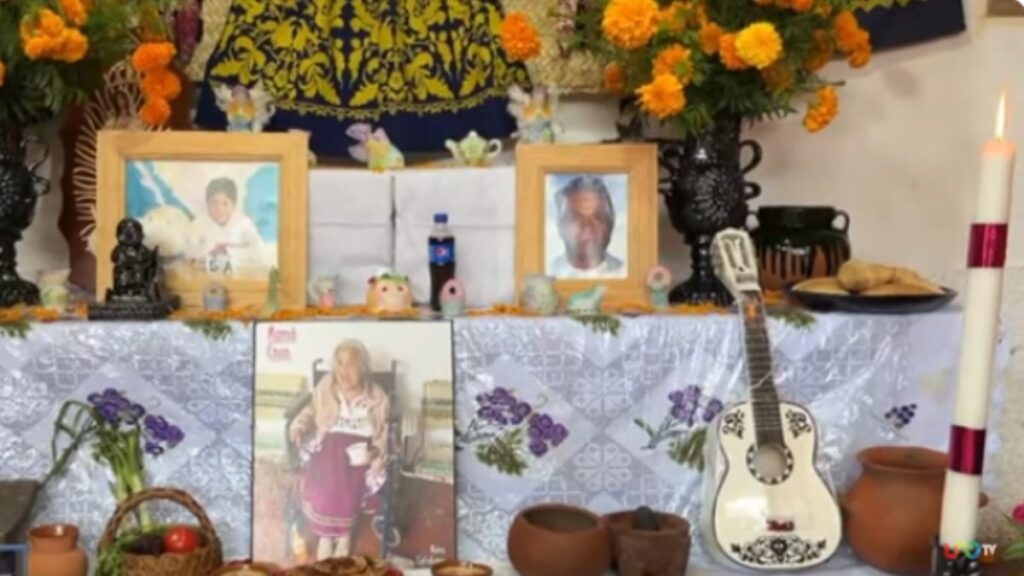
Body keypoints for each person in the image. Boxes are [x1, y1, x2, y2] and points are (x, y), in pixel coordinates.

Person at [288, 340, 390, 561]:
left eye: (351, 364)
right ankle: (326, 535)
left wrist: (375, 451)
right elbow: (310, 410)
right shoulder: (326, 386)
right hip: (328, 442)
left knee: (348, 478)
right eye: (340, 363)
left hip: (359, 449)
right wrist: (299, 426)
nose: (344, 371)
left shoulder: (377, 395)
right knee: (326, 475)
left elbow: (384, 430)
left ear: (363, 368)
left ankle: (343, 534)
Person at [547, 176, 625, 279]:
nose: (587, 227)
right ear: (560, 226)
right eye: (575, 218)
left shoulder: (626, 273)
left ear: (610, 225)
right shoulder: (546, 273)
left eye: (598, 218)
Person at [188, 177, 264, 275]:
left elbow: (258, 251)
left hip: (239, 276)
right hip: (205, 276)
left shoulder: (244, 223)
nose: (219, 208)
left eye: (225, 203)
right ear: (207, 204)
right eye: (214, 202)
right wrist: (210, 249)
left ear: (234, 205)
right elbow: (188, 252)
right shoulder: (198, 223)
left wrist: (230, 251)